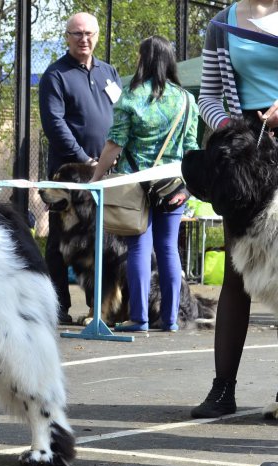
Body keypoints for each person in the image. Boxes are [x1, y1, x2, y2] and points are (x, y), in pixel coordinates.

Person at [190, 0, 278, 418]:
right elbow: (208, 95)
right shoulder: (221, 23)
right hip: (244, 158)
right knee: (235, 274)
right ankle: (222, 390)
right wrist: (229, 126)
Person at [90, 36, 198, 334]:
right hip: (173, 184)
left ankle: (139, 318)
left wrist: (96, 179)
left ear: (144, 60)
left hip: (135, 186)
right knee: (168, 248)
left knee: (139, 245)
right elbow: (191, 147)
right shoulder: (187, 100)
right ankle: (172, 318)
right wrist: (189, 187)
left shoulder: (131, 96)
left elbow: (114, 145)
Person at [39, 12, 122, 325]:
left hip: (106, 174)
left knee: (100, 244)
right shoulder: (55, 75)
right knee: (61, 245)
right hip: (70, 176)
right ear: (67, 37)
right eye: (76, 34)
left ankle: (97, 311)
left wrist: (112, 155)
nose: (83, 39)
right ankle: (58, 309)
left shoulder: (109, 72)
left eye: (88, 33)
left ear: (97, 36)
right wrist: (85, 160)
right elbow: (55, 123)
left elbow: (120, 115)